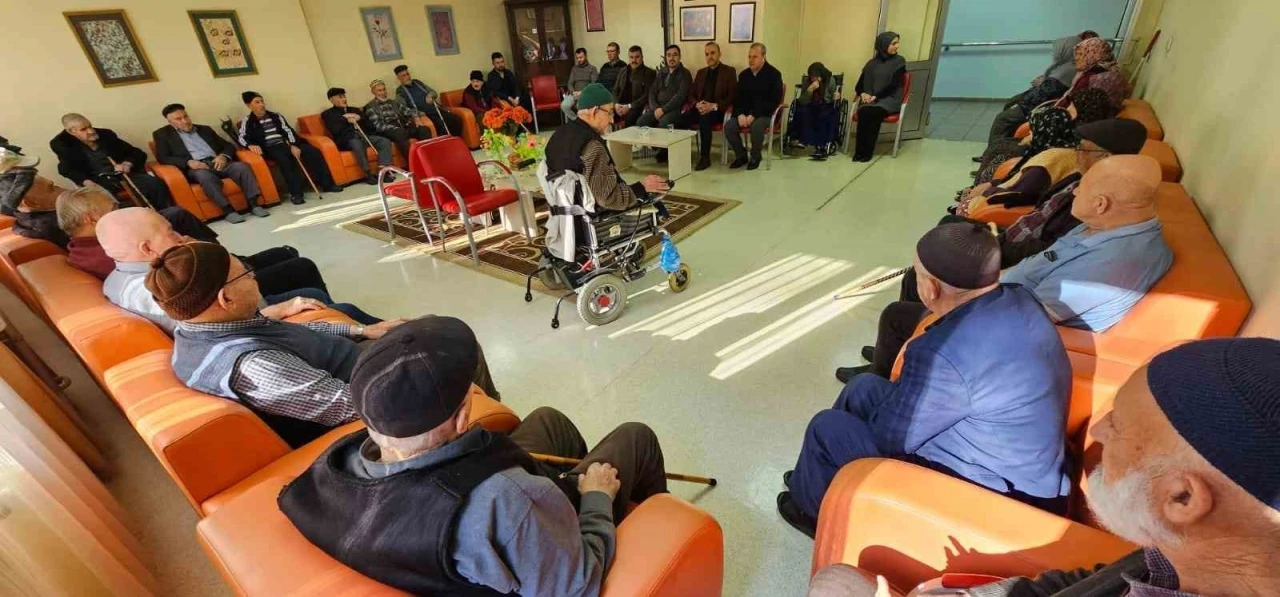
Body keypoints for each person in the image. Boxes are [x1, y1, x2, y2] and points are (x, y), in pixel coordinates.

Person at [828, 337, 1280, 597]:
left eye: (1118, 426)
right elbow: (1086, 583)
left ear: (1182, 497)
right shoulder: (1178, 551)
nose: (1097, 430)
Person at [279, 316, 670, 596]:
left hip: (421, 512)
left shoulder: (335, 464)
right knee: (636, 437)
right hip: (512, 529)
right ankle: (651, 517)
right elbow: (576, 586)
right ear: (465, 414)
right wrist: (597, 499)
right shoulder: (508, 499)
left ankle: (566, 505)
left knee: (549, 421)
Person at [780, 223, 1072, 538]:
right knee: (863, 387)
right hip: (1012, 459)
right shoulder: (1018, 297)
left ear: (930, 288)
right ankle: (823, 478)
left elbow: (890, 439)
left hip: (992, 489)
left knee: (827, 428)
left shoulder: (943, 353)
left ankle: (812, 513)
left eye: (917, 274)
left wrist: (883, 412)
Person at [143, 242, 449, 446]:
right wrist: (425, 388)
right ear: (226, 298)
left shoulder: (201, 328)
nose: (255, 277)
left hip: (356, 366)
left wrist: (362, 330)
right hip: (366, 390)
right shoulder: (253, 366)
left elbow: (294, 335)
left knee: (428, 327)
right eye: (246, 273)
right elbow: (349, 406)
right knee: (447, 338)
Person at [98, 207, 380, 333]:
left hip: (245, 315)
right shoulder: (157, 287)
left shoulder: (117, 280)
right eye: (171, 232)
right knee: (340, 307)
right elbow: (215, 326)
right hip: (252, 326)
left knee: (311, 293)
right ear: (147, 249)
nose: (180, 236)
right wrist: (281, 309)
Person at [1000, 154, 1172, 332]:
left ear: (1100, 204)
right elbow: (1044, 262)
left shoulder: (1107, 264)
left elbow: (1020, 322)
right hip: (1005, 293)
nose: (1074, 192)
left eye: (1081, 187)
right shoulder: (1105, 226)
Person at [996, 118, 1149, 268]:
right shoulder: (1080, 177)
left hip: (1015, 257)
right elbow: (1041, 209)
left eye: (1083, 149)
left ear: (1105, 158)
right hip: (1010, 237)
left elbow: (1053, 250)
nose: (1076, 153)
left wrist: (997, 248)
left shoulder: (1098, 204)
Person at [544, 83, 670, 213]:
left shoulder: (558, 135)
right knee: (656, 197)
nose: (612, 120)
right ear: (594, 111)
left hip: (564, 211)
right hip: (591, 215)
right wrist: (641, 187)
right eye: (609, 113)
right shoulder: (592, 146)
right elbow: (608, 199)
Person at [57, 188, 218, 280]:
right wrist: (193, 248)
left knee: (175, 214)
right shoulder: (107, 255)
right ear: (91, 219)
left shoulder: (85, 246)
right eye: (114, 209)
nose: (120, 211)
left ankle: (217, 249)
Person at [153, 103, 269, 223]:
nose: (185, 121)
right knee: (204, 176)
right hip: (196, 167)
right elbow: (163, 157)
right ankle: (228, 211)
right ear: (170, 122)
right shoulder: (162, 135)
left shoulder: (205, 129)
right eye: (178, 119)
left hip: (217, 161)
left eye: (185, 116)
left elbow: (228, 145)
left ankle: (254, 205)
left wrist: (223, 156)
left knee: (241, 167)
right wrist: (188, 162)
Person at [237, 92, 341, 205]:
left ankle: (327, 185)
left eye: (262, 101)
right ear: (249, 105)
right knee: (285, 161)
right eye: (257, 102)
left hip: (286, 143)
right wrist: (250, 145)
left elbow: (288, 130)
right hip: (270, 148)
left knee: (313, 152)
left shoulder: (276, 116)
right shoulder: (247, 121)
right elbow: (241, 138)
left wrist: (293, 145)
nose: (262, 104)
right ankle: (296, 194)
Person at [50, 114, 174, 209]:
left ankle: (163, 213)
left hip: (122, 174)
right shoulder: (62, 144)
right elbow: (66, 169)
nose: (91, 131)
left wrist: (127, 163)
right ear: (71, 131)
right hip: (97, 181)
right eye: (84, 129)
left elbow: (137, 153)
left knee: (154, 183)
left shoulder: (105, 135)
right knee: (106, 202)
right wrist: (86, 182)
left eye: (90, 126)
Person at [726, 43, 784, 170]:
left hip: (766, 114)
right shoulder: (744, 75)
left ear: (763, 57)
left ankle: (755, 156)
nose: (751, 60)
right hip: (745, 114)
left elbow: (774, 101)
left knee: (756, 126)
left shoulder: (774, 74)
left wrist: (754, 114)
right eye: (749, 57)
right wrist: (740, 114)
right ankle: (741, 155)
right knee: (729, 126)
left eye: (755, 57)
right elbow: (738, 98)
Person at [850, 33, 907, 162]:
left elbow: (894, 85)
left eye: (897, 43)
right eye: (893, 43)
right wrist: (863, 94)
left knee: (872, 113)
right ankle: (859, 152)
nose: (897, 46)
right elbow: (859, 85)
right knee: (864, 112)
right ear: (883, 45)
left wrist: (875, 96)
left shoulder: (899, 61)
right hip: (870, 99)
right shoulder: (871, 63)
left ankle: (867, 153)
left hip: (889, 99)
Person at [681, 42, 737, 171]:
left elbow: (732, 96)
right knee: (680, 119)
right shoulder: (701, 72)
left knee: (704, 119)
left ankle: (705, 158)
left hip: (718, 110)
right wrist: (697, 104)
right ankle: (680, 153)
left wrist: (713, 106)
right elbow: (691, 94)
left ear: (719, 54)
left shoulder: (729, 71)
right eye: (707, 54)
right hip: (700, 108)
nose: (709, 57)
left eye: (712, 53)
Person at [321, 87, 393, 186]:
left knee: (384, 141)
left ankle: (383, 171)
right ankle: (367, 174)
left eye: (344, 96)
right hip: (348, 139)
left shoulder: (355, 110)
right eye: (340, 97)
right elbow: (335, 129)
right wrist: (345, 118)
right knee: (357, 143)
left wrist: (359, 118)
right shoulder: (328, 114)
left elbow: (370, 125)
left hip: (364, 136)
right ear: (331, 100)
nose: (344, 99)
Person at [637, 45, 693, 156]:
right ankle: (655, 147)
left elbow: (680, 97)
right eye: (669, 55)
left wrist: (663, 110)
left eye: (675, 55)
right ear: (666, 58)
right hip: (658, 108)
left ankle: (663, 151)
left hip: (675, 110)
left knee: (664, 123)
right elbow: (652, 92)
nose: (672, 58)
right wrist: (656, 109)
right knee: (641, 121)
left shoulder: (685, 74)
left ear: (679, 57)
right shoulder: (662, 72)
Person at [363, 80, 435, 164]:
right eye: (379, 90)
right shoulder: (370, 107)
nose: (383, 92)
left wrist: (416, 117)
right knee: (400, 133)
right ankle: (413, 164)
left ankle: (429, 160)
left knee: (424, 129)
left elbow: (408, 111)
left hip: (403, 127)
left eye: (384, 89)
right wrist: (395, 128)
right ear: (373, 92)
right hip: (388, 130)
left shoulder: (393, 102)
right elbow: (379, 126)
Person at [393, 64, 462, 138]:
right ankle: (447, 143)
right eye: (403, 76)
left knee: (456, 119)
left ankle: (456, 140)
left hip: (435, 109)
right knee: (440, 125)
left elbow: (433, 92)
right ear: (399, 78)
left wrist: (430, 95)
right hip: (425, 115)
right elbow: (403, 108)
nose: (407, 77)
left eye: (408, 74)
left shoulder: (417, 83)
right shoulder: (400, 91)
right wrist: (416, 114)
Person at [792, 62, 843, 160]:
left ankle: (821, 146)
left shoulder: (830, 80)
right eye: (812, 77)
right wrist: (810, 89)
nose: (813, 79)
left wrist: (837, 96)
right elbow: (802, 100)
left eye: (816, 76)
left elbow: (834, 96)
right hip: (810, 104)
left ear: (821, 74)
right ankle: (803, 140)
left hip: (825, 104)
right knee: (802, 111)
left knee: (823, 116)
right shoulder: (807, 81)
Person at [612, 45, 656, 128]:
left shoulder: (649, 73)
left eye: (637, 57)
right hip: (620, 105)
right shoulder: (622, 71)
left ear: (642, 57)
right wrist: (616, 104)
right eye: (631, 57)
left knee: (630, 116)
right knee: (605, 114)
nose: (634, 60)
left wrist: (629, 106)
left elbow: (647, 95)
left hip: (636, 106)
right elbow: (615, 90)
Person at [561, 48, 600, 122]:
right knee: (564, 105)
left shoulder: (592, 68)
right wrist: (573, 92)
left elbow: (593, 84)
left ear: (586, 56)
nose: (579, 60)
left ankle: (584, 123)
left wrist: (582, 92)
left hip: (587, 94)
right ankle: (577, 120)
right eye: (577, 58)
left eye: (581, 57)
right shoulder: (574, 68)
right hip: (574, 94)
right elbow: (570, 83)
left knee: (579, 106)